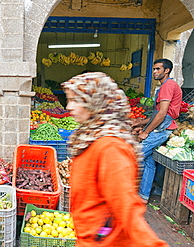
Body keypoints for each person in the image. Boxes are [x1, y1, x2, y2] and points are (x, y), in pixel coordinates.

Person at [62, 72, 168, 247]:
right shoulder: (90, 137)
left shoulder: (110, 147)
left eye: (75, 100)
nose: (69, 107)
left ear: (95, 102)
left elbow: (126, 208)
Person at [132, 59, 182, 203]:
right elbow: (157, 113)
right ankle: (143, 196)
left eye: (158, 69)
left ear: (167, 71)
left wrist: (145, 132)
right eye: (154, 69)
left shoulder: (167, 86)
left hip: (161, 129)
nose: (154, 72)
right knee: (149, 162)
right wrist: (141, 123)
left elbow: (162, 114)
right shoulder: (165, 86)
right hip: (162, 127)